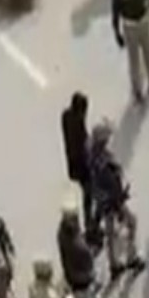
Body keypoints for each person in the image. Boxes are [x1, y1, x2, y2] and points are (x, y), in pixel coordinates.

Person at [88, 121, 145, 278]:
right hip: (113, 202)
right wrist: (121, 201)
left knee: (110, 232)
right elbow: (113, 186)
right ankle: (131, 257)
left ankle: (113, 264)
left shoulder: (92, 155)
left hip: (103, 202)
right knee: (132, 223)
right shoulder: (104, 163)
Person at [60, 91, 95, 235]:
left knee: (87, 193)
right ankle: (89, 224)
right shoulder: (78, 123)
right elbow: (83, 145)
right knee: (89, 193)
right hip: (81, 166)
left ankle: (89, 221)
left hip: (72, 165)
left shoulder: (66, 116)